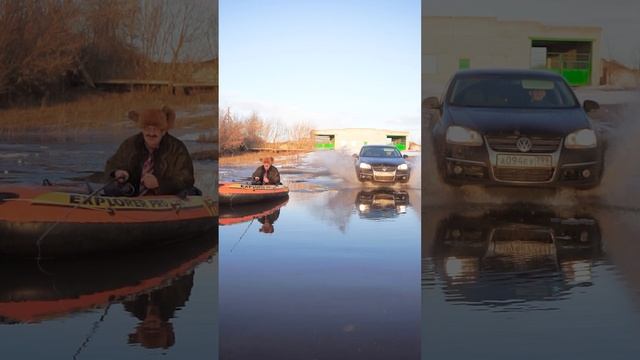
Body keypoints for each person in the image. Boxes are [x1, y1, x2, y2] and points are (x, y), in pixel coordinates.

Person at [104, 106, 196, 196]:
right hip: (133, 198)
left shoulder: (177, 148)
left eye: (155, 129)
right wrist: (118, 172)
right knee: (110, 188)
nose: (151, 133)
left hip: (165, 200)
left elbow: (186, 178)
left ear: (163, 131)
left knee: (190, 192)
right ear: (142, 130)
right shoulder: (130, 144)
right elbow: (113, 164)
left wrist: (159, 183)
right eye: (147, 129)